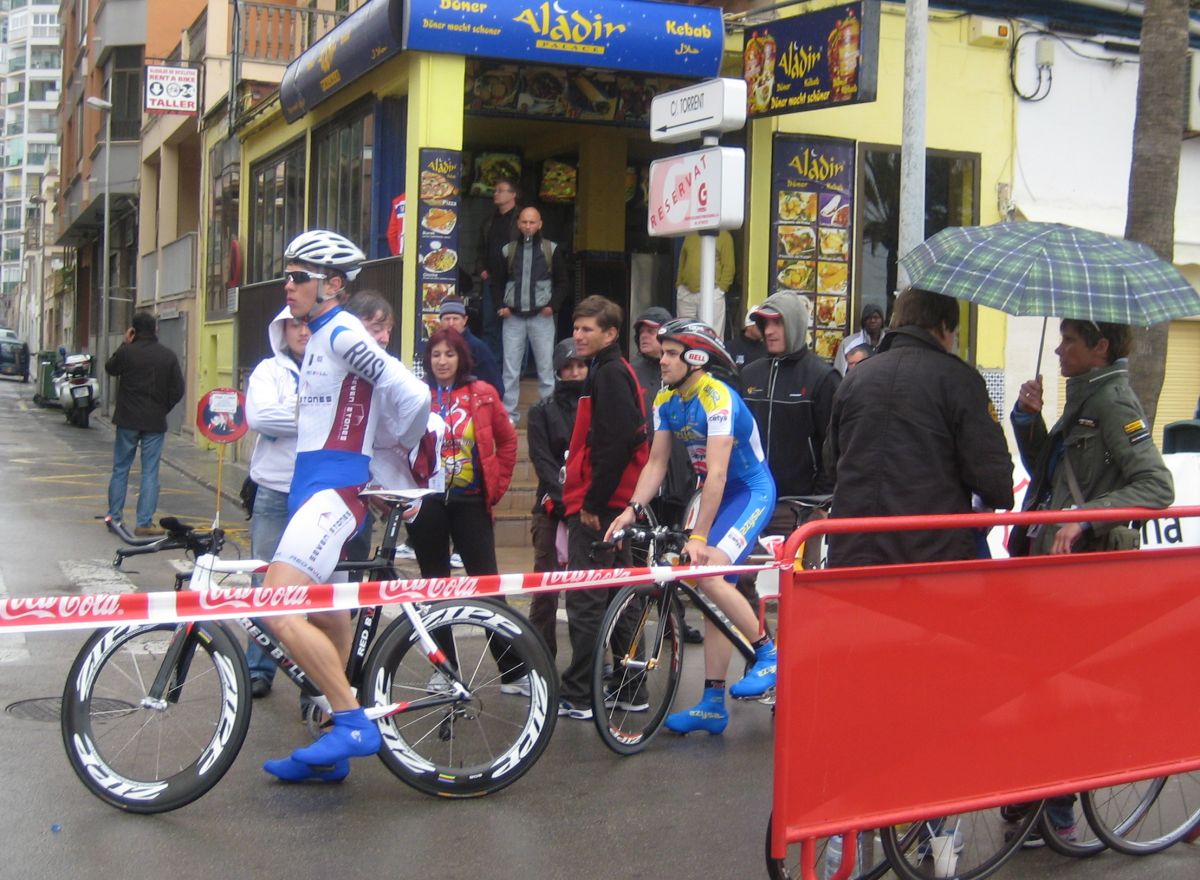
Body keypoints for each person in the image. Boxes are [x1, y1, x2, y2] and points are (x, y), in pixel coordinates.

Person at [259, 230, 431, 783]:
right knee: (329, 616)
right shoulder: (321, 334)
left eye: (298, 277)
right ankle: (334, 741)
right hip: (313, 489)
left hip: (333, 493)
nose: (288, 286)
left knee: (277, 609)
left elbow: (413, 393)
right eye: (287, 275)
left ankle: (353, 723)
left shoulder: (340, 333)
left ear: (332, 284)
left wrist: (396, 453)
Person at [1009, 319, 1173, 842]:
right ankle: (1032, 801)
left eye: (1071, 341)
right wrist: (1027, 420)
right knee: (1039, 690)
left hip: (1082, 577)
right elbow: (1053, 477)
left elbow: (1156, 485)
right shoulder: (1085, 395)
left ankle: (1056, 815)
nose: (1059, 350)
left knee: (1059, 694)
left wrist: (1085, 519)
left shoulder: (1113, 400)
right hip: (1052, 570)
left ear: (1100, 347)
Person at [606, 320, 778, 735]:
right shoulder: (666, 398)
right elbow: (656, 464)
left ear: (696, 359)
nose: (661, 360)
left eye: (670, 353)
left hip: (749, 491)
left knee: (709, 572)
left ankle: (770, 654)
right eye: (661, 352)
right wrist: (631, 510)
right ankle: (712, 703)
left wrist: (699, 536)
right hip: (714, 493)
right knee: (713, 591)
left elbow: (717, 473)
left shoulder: (717, 397)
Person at [825, 287, 1014, 567]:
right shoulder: (960, 380)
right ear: (943, 327)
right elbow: (995, 481)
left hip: (853, 553)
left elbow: (832, 465)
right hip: (931, 555)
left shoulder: (855, 378)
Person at [558, 295, 649, 720]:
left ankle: (580, 691)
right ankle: (630, 686)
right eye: (576, 327)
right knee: (618, 595)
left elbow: (615, 443)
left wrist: (593, 502)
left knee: (587, 598)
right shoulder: (610, 369)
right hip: (614, 500)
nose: (578, 335)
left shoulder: (609, 373)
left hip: (603, 503)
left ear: (611, 334)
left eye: (588, 329)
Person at [242, 307, 311, 698]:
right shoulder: (267, 371)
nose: (302, 331)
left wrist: (289, 415)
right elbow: (259, 416)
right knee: (263, 580)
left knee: (314, 586)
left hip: (316, 493)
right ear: (282, 330)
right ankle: (258, 667)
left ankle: (312, 677)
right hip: (272, 489)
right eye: (294, 325)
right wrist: (312, 414)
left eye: (307, 324)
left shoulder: (331, 370)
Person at [631, 306, 702, 643]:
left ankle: (674, 623)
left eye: (652, 331)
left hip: (678, 480)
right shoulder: (631, 373)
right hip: (643, 480)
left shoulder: (684, 376)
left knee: (672, 557)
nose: (645, 336)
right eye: (641, 331)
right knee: (637, 557)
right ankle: (632, 625)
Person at [526, 338, 587, 656]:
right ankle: (540, 658)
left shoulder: (600, 406)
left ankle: (590, 661)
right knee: (545, 589)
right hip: (550, 505)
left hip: (590, 507)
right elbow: (541, 460)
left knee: (588, 593)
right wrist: (564, 501)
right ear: (557, 370)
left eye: (580, 365)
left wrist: (583, 504)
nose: (575, 372)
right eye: (568, 366)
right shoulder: (540, 411)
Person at [105, 310, 185, 536]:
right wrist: (162, 408)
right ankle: (144, 523)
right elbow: (178, 389)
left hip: (127, 420)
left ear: (133, 330)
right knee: (150, 472)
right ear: (155, 329)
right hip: (154, 422)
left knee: (121, 469)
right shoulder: (167, 356)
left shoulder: (127, 352)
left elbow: (110, 368)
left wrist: (124, 343)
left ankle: (115, 518)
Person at [495, 206, 570, 423]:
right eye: (525, 222)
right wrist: (501, 306)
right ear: (519, 224)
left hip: (542, 318)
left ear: (540, 224)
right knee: (510, 370)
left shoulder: (550, 250)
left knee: (546, 369)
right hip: (513, 317)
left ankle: (548, 415)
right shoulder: (508, 250)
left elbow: (563, 282)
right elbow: (497, 282)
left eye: (532, 222)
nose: (528, 226)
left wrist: (552, 306)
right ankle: (509, 416)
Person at [478, 176, 521, 359]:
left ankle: (510, 366)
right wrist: (481, 268)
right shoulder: (489, 220)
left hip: (514, 280)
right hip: (491, 278)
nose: (495, 194)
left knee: (514, 324)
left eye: (500, 190)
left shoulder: (521, 220)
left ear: (513, 194)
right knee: (489, 324)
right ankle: (490, 365)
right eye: (495, 191)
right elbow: (481, 248)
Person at [439, 295, 502, 397]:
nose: (451, 323)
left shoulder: (478, 348)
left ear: (465, 320)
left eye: (455, 318)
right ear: (440, 321)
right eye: (447, 319)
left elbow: (497, 388)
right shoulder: (436, 346)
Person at [676, 230, 735, 339]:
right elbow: (682, 260)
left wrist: (721, 290)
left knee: (712, 335)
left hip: (712, 293)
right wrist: (679, 285)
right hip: (686, 293)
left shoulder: (724, 235)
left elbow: (729, 266)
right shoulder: (691, 233)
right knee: (684, 335)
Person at [833, 303, 885, 375]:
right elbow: (839, 373)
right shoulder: (848, 343)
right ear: (863, 321)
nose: (872, 320)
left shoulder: (890, 342)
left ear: (882, 321)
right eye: (868, 318)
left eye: (876, 317)